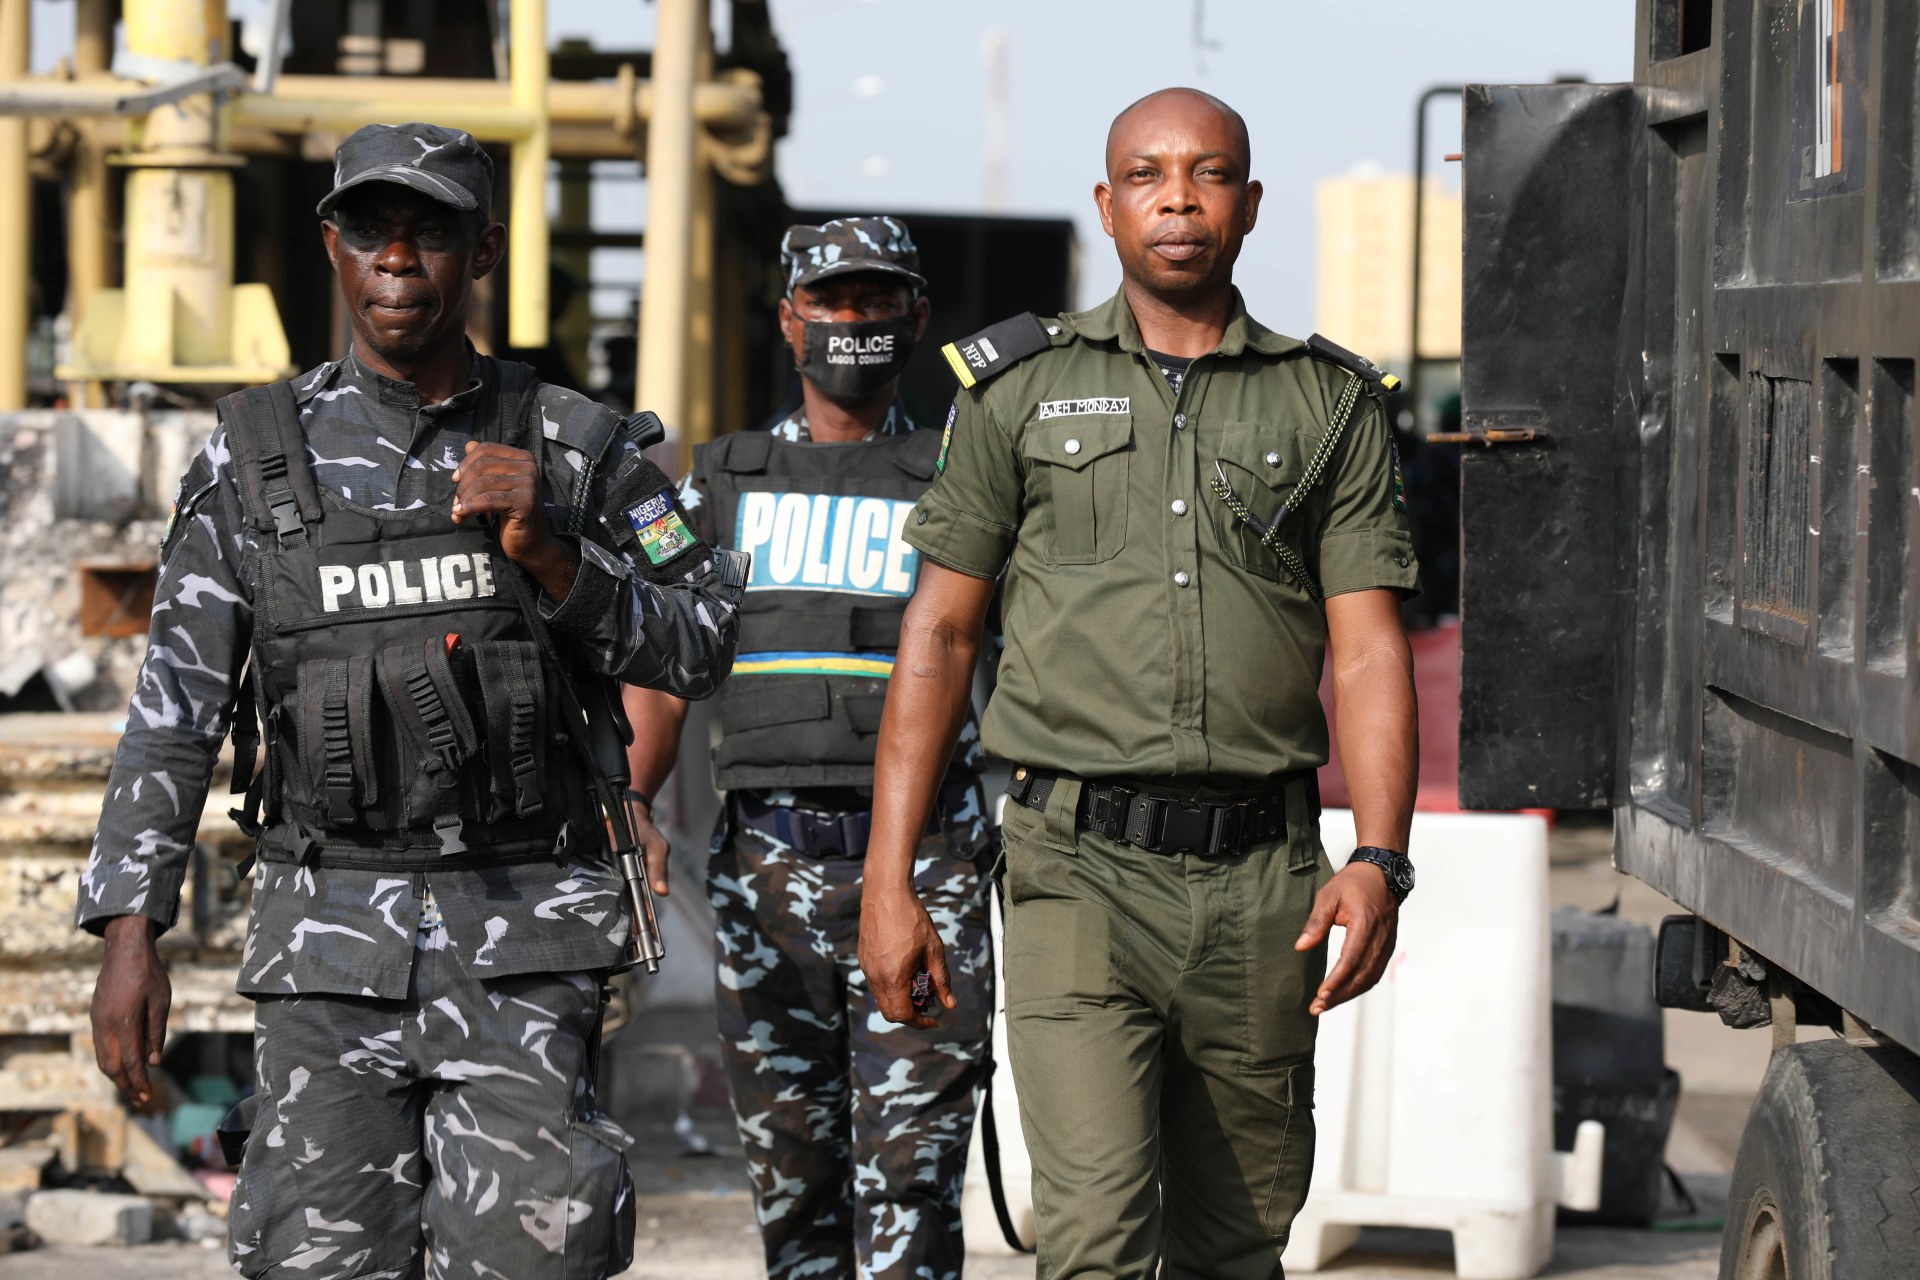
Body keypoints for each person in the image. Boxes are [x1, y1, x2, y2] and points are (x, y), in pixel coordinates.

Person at [77, 122, 745, 1279]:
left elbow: (708, 635)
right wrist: (129, 930)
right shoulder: (249, 462)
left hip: (526, 938)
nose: (397, 257)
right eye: (370, 229)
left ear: (482, 251)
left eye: (430, 230)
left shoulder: (581, 451)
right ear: (331, 243)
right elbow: (173, 711)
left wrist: (558, 561)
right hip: (326, 946)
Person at [857, 88, 1421, 1279]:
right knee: (1098, 1240)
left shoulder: (1330, 407)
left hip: (1267, 885)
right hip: (1077, 874)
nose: (1180, 196)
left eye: (1210, 174)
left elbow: (1368, 648)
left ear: (1250, 205)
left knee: (1237, 1246)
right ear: (1107, 207)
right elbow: (940, 636)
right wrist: (887, 877)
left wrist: (1378, 855)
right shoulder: (1015, 389)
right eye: (1150, 175)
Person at [624, 217, 993, 1280]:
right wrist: (636, 800)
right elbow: (662, 662)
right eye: (829, 302)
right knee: (796, 1201)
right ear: (789, 319)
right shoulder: (723, 484)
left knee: (912, 1194)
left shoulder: (964, 477)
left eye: (877, 302)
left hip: (925, 867)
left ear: (916, 318)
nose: (853, 324)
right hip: (763, 873)